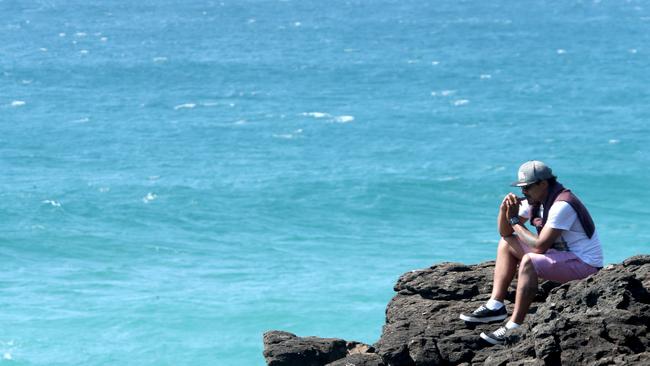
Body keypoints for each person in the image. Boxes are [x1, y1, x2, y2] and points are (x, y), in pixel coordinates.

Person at [459, 160, 603, 345]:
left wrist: (514, 220)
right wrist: (504, 211)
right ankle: (496, 305)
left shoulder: (562, 205)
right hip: (559, 257)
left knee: (529, 261)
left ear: (543, 184)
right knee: (506, 243)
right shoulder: (537, 201)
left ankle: (514, 326)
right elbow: (505, 232)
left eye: (527, 187)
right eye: (522, 188)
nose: (523, 192)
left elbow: (539, 247)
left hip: (585, 266)